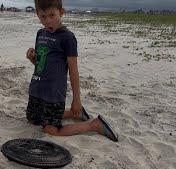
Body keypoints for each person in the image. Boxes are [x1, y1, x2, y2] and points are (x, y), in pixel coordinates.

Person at [26, 0, 118, 142]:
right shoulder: (40, 34)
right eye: (43, 17)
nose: (48, 21)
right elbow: (40, 64)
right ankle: (75, 114)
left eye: (52, 15)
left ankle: (94, 124)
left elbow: (73, 71)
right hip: (37, 89)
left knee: (50, 130)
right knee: (33, 120)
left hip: (53, 94)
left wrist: (76, 100)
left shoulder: (67, 38)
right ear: (37, 14)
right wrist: (32, 58)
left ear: (61, 12)